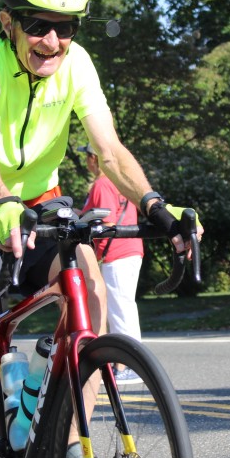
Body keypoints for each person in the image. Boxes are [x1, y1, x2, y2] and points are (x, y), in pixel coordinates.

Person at [0, 0, 199, 458]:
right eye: (37, 26)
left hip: (43, 209)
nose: (52, 41)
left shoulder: (78, 64)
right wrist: (1, 201)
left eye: (65, 27)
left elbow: (109, 151)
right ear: (8, 22)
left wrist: (155, 204)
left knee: (90, 300)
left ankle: (69, 446)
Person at [78, 143, 144, 385]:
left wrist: (96, 255)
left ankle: (130, 366)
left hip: (116, 252)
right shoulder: (119, 182)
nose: (86, 162)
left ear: (94, 158)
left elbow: (106, 222)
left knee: (120, 309)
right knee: (122, 307)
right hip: (130, 249)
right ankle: (125, 364)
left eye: (87, 157)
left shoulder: (103, 184)